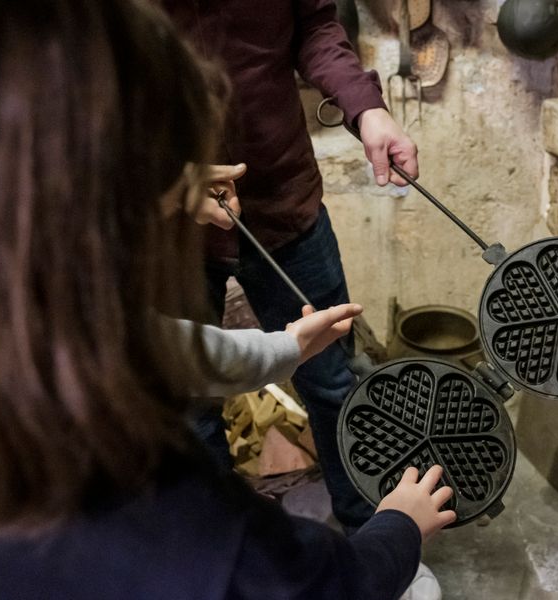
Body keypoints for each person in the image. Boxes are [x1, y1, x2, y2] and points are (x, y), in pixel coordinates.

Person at [0, 2, 456, 599]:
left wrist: (283, 348)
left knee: (331, 384)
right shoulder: (183, 530)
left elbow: (157, 345)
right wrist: (399, 530)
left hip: (283, 201)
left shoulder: (25, 322)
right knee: (198, 417)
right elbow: (328, 587)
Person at [161, 0, 421, 533]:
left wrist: (366, 107)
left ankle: (371, 538)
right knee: (189, 405)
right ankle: (223, 550)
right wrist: (161, 179)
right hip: (168, 226)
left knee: (334, 383)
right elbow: (84, 81)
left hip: (285, 202)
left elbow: (316, 24)